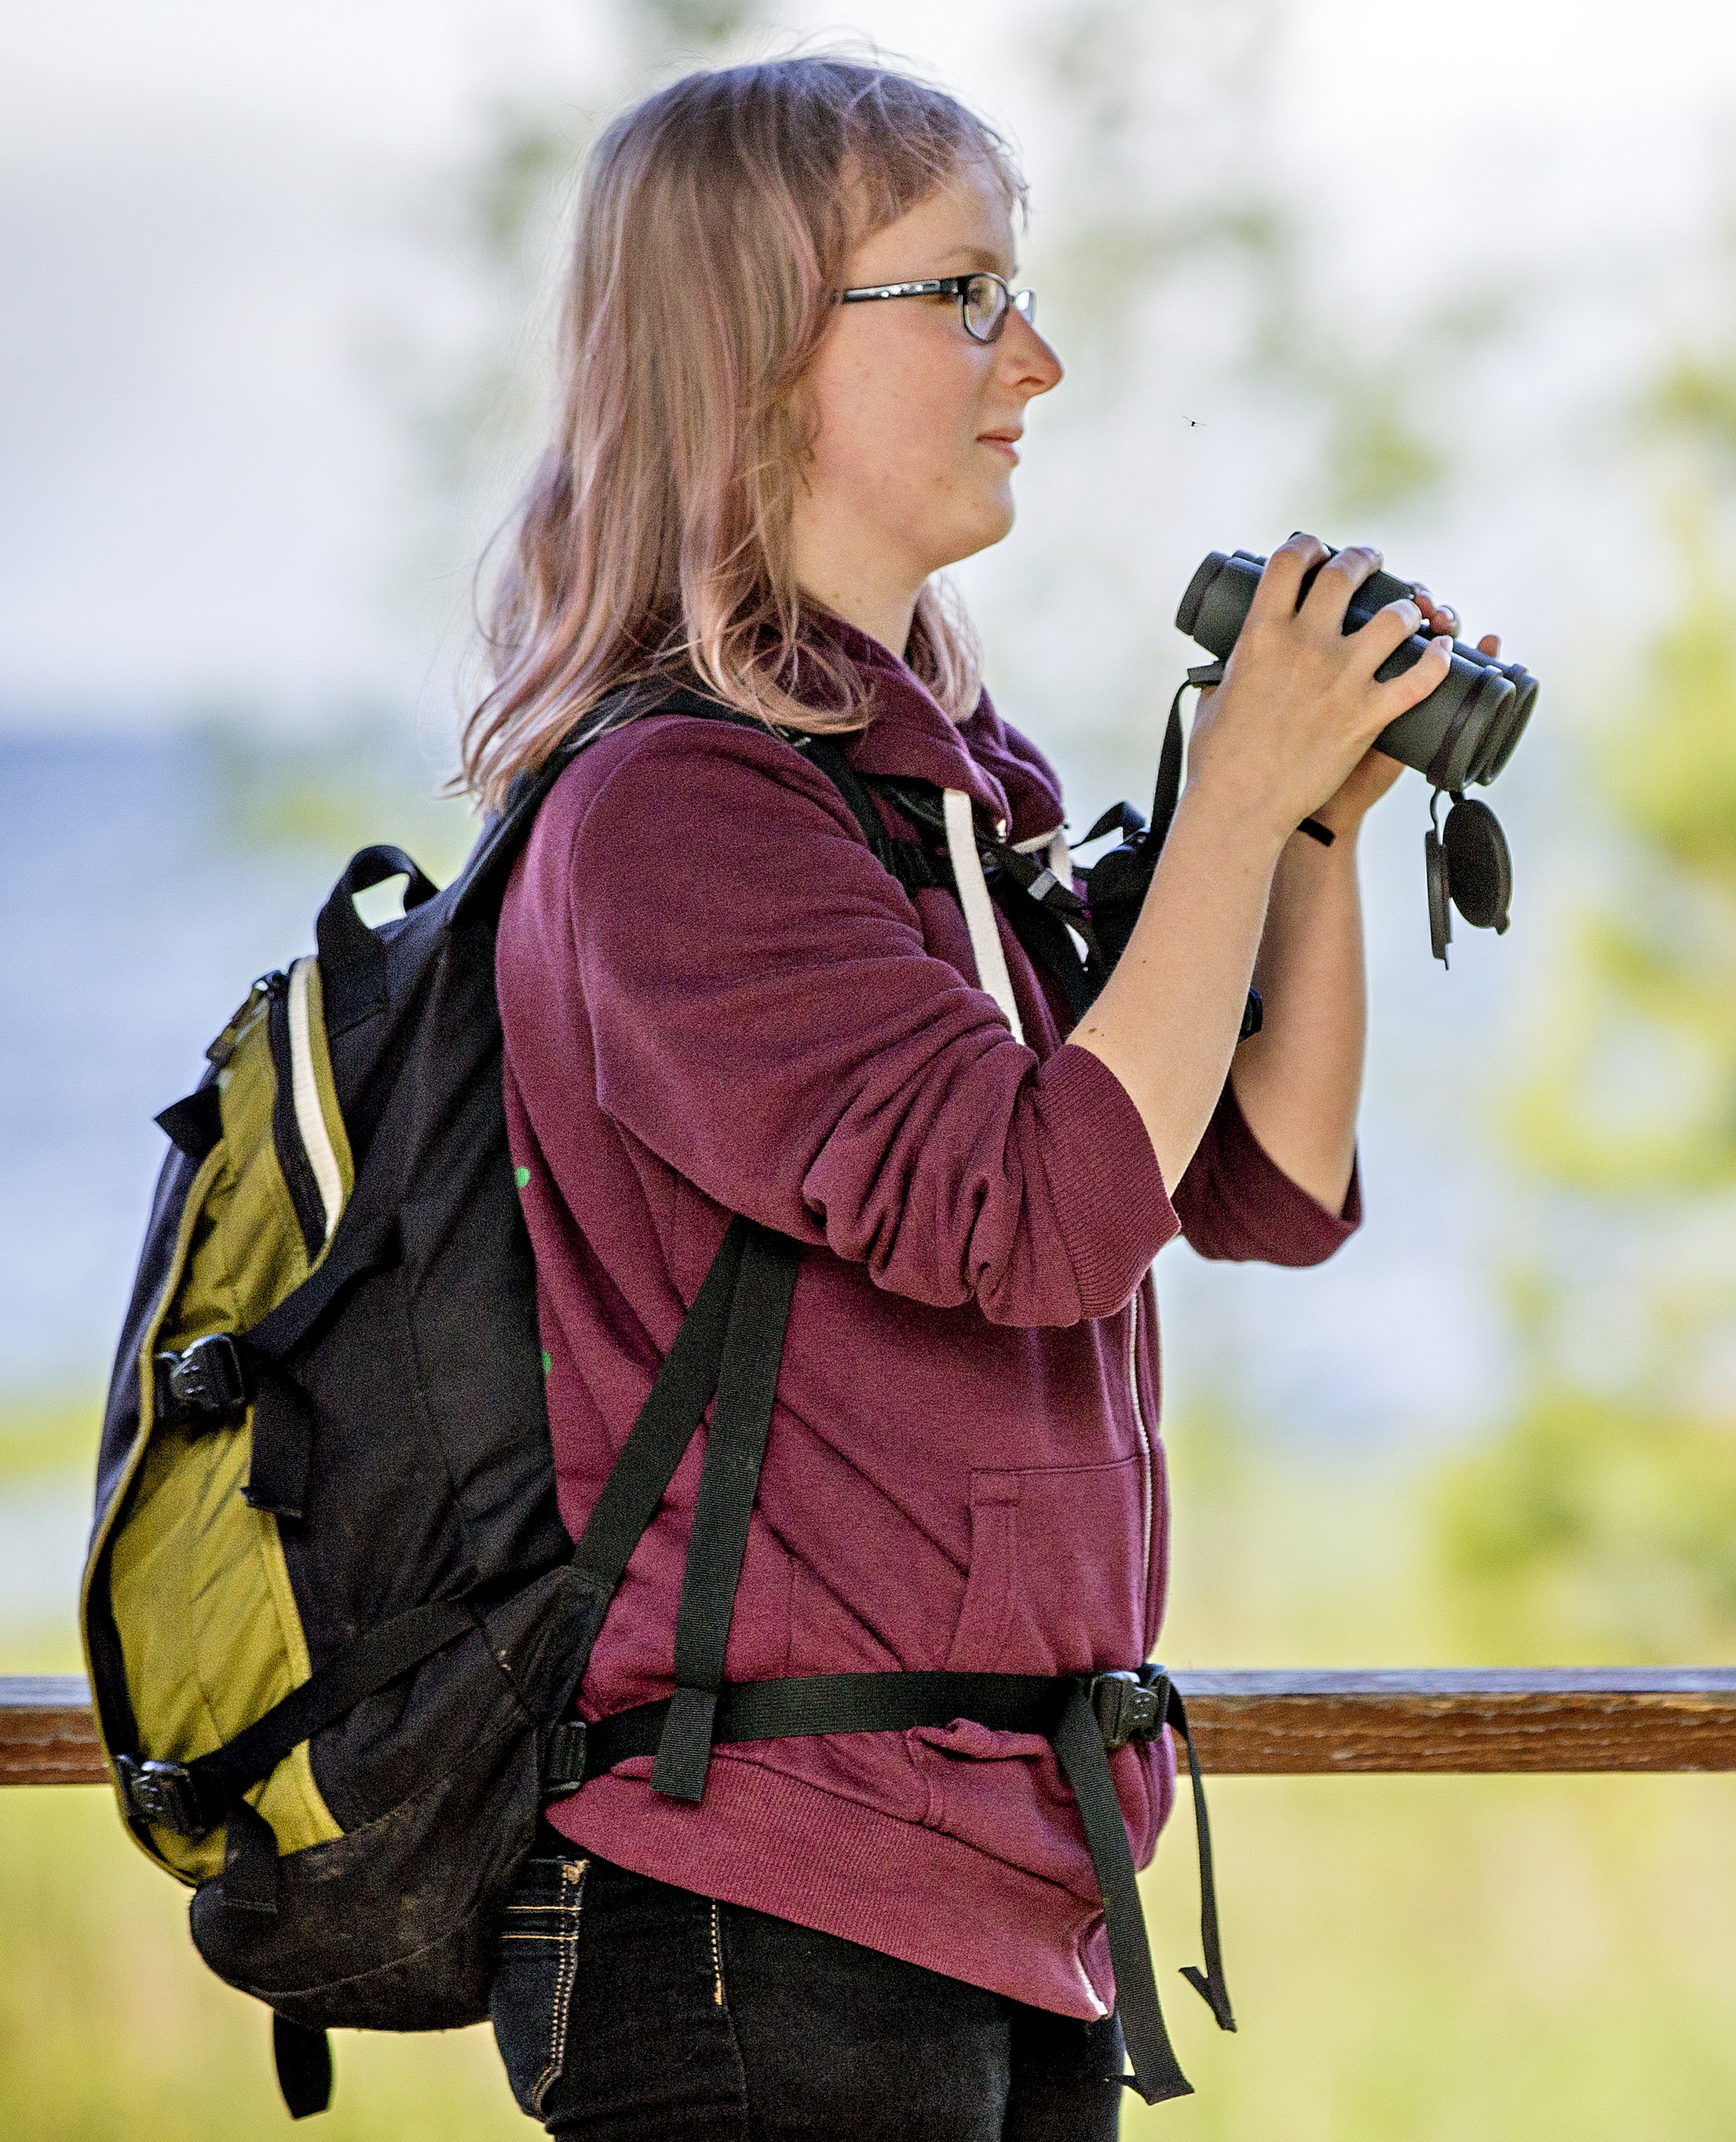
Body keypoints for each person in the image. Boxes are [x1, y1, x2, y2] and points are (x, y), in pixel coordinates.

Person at [466, 55, 1484, 2140]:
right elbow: (1036, 1214)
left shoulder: (930, 804)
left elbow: (1264, 1184)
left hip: (996, 1877)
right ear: (757, 348)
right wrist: (1236, 793)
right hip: (761, 1889)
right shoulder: (676, 817)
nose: (1037, 357)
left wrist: (1307, 831)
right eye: (962, 297)